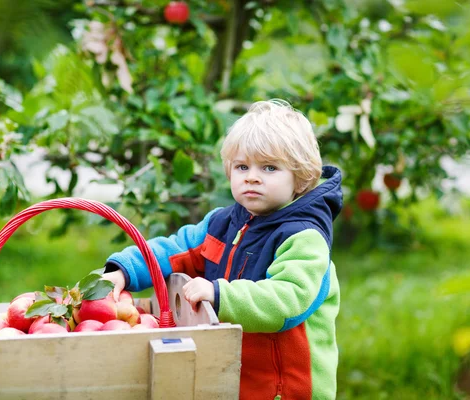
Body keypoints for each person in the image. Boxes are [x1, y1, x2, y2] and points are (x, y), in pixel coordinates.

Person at [102, 99, 343, 399]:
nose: (252, 176)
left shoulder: (303, 237)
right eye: (242, 166)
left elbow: (288, 299)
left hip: (286, 388)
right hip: (234, 376)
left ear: (301, 176)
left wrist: (221, 294)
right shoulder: (223, 223)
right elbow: (175, 249)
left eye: (269, 167)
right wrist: (124, 269)